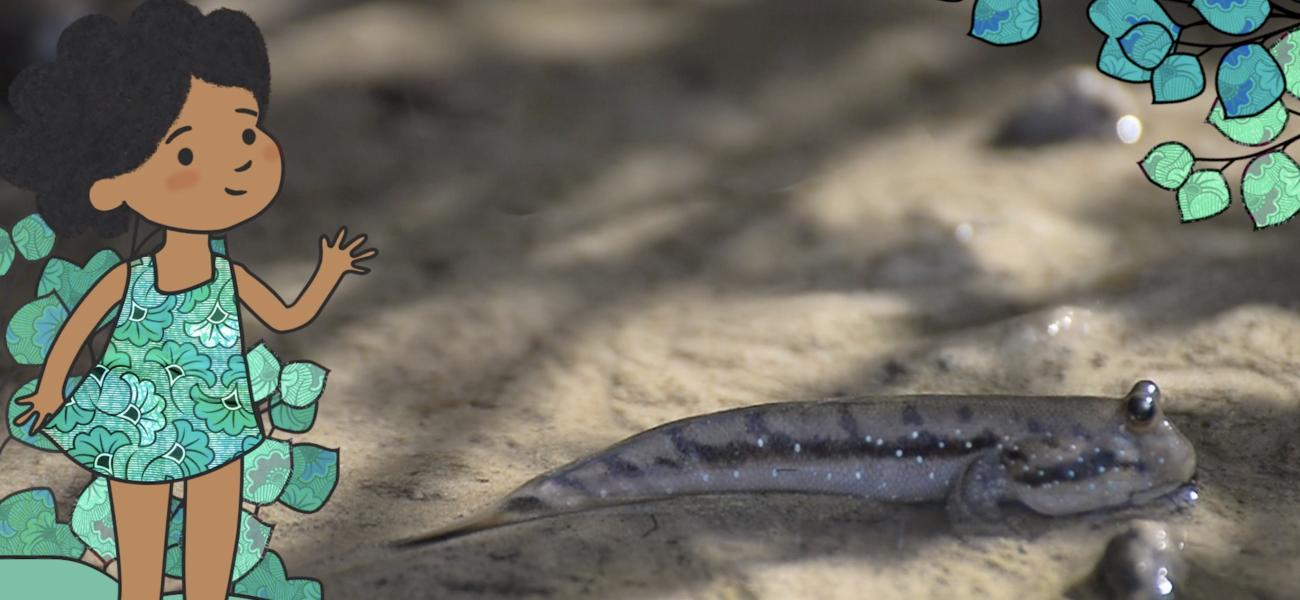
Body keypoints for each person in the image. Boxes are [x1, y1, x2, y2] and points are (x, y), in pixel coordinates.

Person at [0, 1, 376, 598]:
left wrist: (328, 272)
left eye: (248, 131)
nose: (234, 161)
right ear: (112, 184)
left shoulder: (227, 277)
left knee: (211, 561)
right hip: (133, 427)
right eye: (185, 153)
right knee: (141, 565)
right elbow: (77, 328)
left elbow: (287, 316)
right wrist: (51, 387)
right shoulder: (131, 279)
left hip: (219, 425)